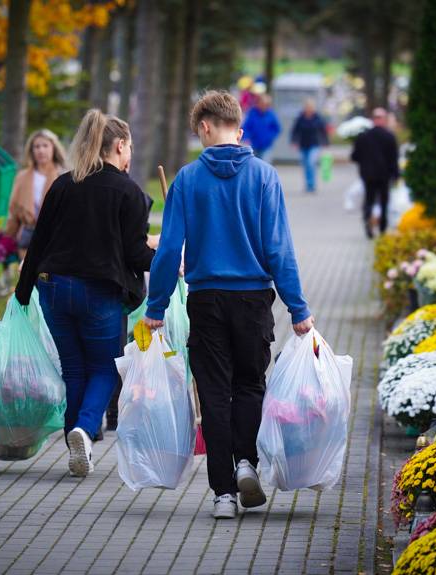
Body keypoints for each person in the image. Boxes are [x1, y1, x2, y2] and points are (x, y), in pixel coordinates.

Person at [142, 91, 314, 519]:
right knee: (251, 385)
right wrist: (298, 308)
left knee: (215, 392)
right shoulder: (265, 176)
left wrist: (156, 306)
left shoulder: (186, 179)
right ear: (235, 126)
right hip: (254, 300)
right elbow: (279, 250)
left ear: (204, 127)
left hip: (206, 300)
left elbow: (167, 251)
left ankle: (222, 494)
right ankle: (245, 463)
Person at [14, 110, 159, 477]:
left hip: (54, 288)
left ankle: (76, 441)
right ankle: (84, 429)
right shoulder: (130, 193)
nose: (131, 155)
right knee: (105, 368)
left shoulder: (63, 184)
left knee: (75, 368)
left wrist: (21, 294)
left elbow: (40, 241)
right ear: (120, 145)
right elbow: (135, 255)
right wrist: (167, 255)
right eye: (130, 148)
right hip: (100, 292)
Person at [6, 129, 68, 259]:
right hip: (26, 237)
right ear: (32, 151)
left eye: (45, 145)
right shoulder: (22, 177)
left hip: (53, 238)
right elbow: (13, 211)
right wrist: (6, 241)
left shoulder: (63, 176)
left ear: (53, 148)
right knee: (25, 276)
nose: (41, 150)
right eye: (37, 146)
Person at [350, 107, 399, 238]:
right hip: (384, 176)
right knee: (384, 201)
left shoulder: (363, 136)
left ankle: (368, 223)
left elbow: (354, 156)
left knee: (369, 200)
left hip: (368, 175)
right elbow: (394, 159)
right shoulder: (389, 137)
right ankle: (382, 227)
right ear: (384, 120)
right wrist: (396, 176)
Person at [290, 99, 328, 193]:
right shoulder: (300, 117)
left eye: (310, 107)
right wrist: (294, 141)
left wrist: (326, 142)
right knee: (305, 165)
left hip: (314, 144)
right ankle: (307, 185)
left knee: (311, 163)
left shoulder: (317, 117)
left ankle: (312, 184)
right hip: (303, 144)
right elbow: (295, 130)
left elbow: (323, 131)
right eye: (307, 107)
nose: (309, 109)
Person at [241, 93, 282, 163]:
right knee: (255, 164)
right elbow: (246, 127)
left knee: (265, 163)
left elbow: (277, 129)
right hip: (254, 143)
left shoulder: (271, 114)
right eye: (262, 103)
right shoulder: (252, 113)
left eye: (266, 104)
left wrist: (270, 137)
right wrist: (246, 137)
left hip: (266, 145)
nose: (263, 106)